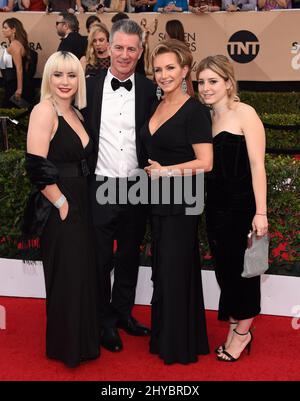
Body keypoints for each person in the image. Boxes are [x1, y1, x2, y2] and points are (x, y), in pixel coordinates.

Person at [82, 19, 156, 353]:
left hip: (137, 186)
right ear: (107, 48)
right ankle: (103, 322)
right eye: (119, 47)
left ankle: (123, 312)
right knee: (99, 260)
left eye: (131, 49)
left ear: (140, 52)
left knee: (129, 255)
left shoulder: (150, 90)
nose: (124, 55)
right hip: (100, 185)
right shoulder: (89, 87)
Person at [24, 51, 100, 368]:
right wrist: (62, 203)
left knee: (82, 275)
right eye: (58, 75)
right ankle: (66, 347)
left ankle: (82, 343)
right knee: (67, 276)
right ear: (49, 78)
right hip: (61, 205)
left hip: (83, 201)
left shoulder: (77, 114)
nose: (65, 81)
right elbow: (36, 167)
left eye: (71, 75)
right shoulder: (44, 111)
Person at [141, 39, 213, 364]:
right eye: (158, 69)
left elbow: (206, 162)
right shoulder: (157, 106)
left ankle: (177, 344)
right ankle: (170, 336)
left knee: (173, 268)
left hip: (182, 200)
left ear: (185, 70)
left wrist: (166, 172)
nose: (163, 75)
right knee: (164, 269)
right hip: (156, 200)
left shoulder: (195, 111)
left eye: (170, 68)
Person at [196, 55, 268, 362]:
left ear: (228, 82)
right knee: (226, 272)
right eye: (201, 82)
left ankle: (242, 333)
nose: (206, 88)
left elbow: (257, 165)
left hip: (242, 208)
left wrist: (261, 212)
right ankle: (238, 325)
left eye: (213, 81)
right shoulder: (206, 119)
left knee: (245, 273)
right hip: (215, 209)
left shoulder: (245, 113)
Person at [1, 18, 33, 108]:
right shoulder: (16, 44)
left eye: (5, 28)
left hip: (15, 86)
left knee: (11, 115)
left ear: (13, 30)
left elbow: (19, 68)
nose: (3, 30)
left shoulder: (14, 45)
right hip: (11, 84)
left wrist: (19, 89)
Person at [165, 19, 194, 96]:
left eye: (166, 31)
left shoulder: (177, 51)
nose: (165, 34)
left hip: (179, 87)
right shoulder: (184, 49)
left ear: (171, 32)